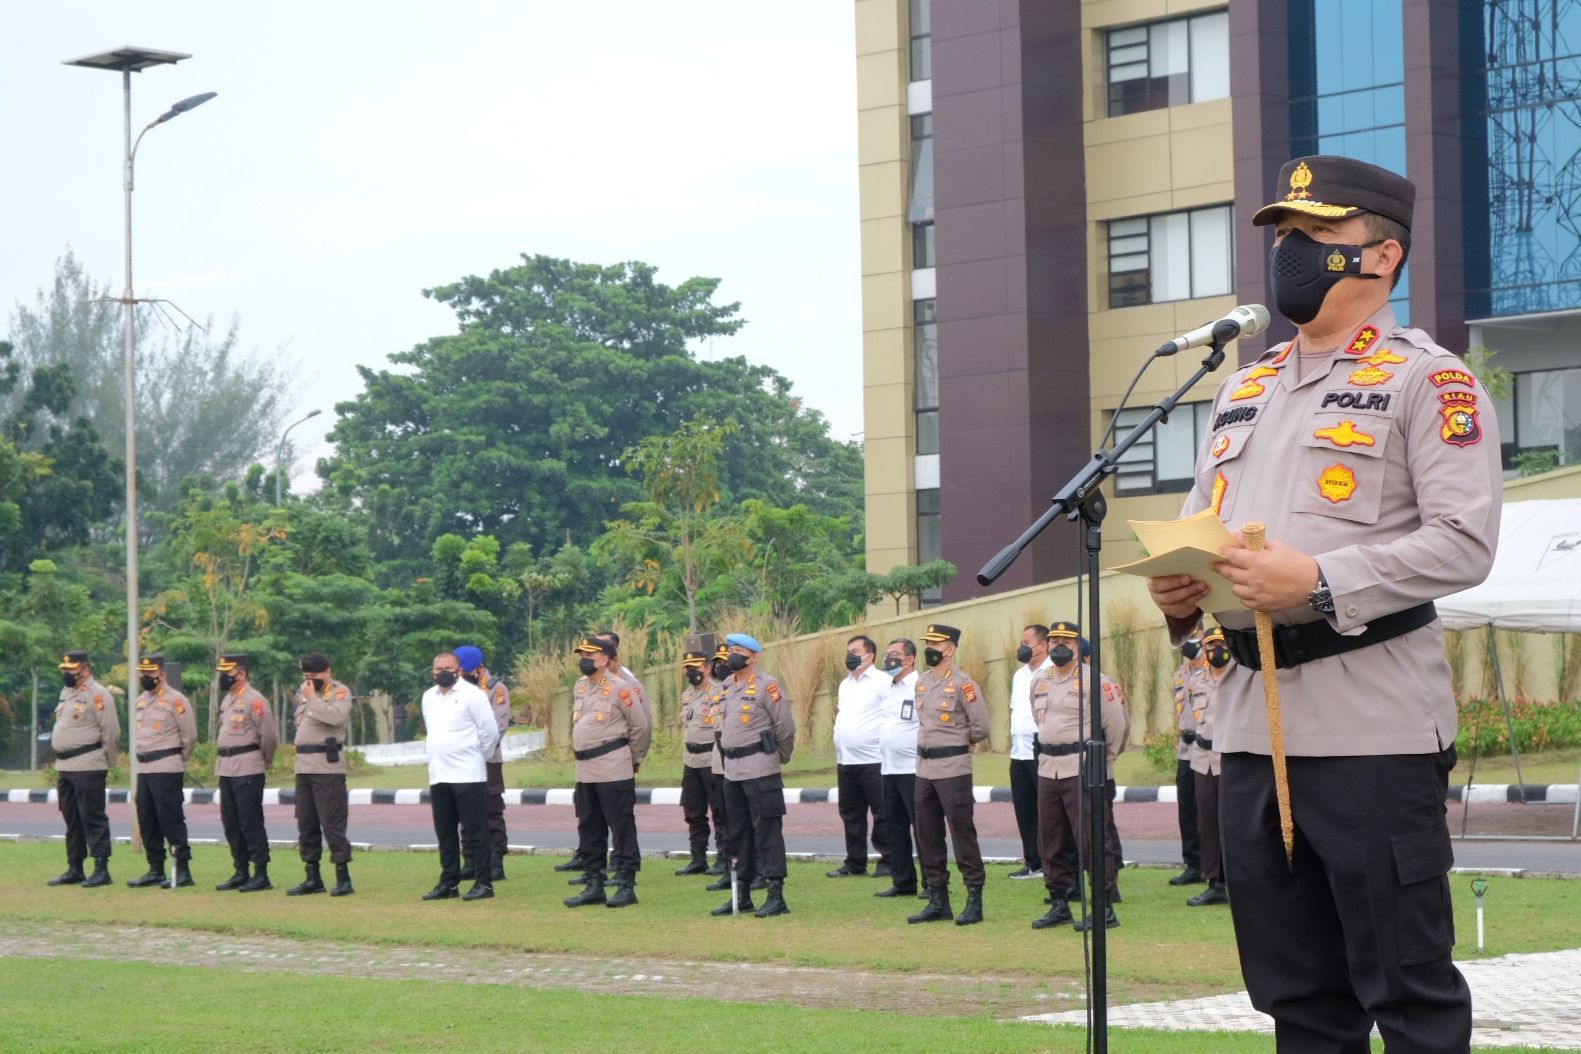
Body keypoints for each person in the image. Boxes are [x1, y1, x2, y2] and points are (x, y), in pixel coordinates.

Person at [1146, 155, 1500, 1052]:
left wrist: (1321, 581)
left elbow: (1465, 541)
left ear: (1380, 257)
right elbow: (1203, 530)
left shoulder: (1429, 380)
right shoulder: (1242, 387)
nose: (1289, 252)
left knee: (1407, 994)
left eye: (1314, 235)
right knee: (1295, 1000)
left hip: (1370, 729)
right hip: (1249, 732)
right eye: (1283, 236)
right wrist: (1179, 593)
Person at [1028, 622, 1126, 931]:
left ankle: (1104, 906)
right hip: (1048, 767)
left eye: (1064, 640)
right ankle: (1059, 902)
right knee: (1050, 838)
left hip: (1081, 767)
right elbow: (1038, 717)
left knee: (1092, 838)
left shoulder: (1095, 681)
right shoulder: (1039, 680)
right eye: (1053, 639)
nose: (1057, 644)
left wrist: (1103, 763)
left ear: (1076, 645)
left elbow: (1117, 727)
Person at [908, 624, 990, 926]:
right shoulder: (922, 681)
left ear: (950, 649)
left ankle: (974, 898)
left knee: (961, 832)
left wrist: (963, 740)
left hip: (953, 767)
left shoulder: (963, 684)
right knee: (927, 833)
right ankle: (937, 898)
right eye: (927, 642)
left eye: (935, 643)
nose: (929, 648)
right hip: (924, 768)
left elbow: (981, 726)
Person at [564, 637, 651, 908]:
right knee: (589, 827)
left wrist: (634, 758)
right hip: (585, 769)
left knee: (621, 826)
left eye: (590, 654)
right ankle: (594, 883)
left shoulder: (620, 688)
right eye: (582, 654)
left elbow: (640, 727)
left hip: (613, 766)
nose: (584, 659)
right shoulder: (580, 687)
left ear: (604, 659)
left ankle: (626, 884)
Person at [713, 633, 795, 918]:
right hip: (732, 771)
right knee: (737, 834)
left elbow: (785, 728)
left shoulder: (767, 686)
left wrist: (777, 756)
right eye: (730, 650)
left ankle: (775, 895)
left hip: (760, 768)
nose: (732, 654)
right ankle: (743, 894)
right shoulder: (725, 686)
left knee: (767, 832)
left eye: (739, 650)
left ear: (754, 656)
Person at [419, 651, 500, 902]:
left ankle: (483, 883)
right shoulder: (428, 697)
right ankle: (449, 881)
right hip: (439, 774)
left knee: (476, 831)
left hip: (468, 773)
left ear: (459, 669)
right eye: (437, 668)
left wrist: (477, 756)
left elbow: (489, 732)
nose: (442, 671)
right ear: (432, 671)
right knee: (445, 831)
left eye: (448, 667)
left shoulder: (472, 695)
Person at [47, 651, 118, 888]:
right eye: (64, 669)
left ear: (85, 670)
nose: (66, 673)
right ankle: (75, 867)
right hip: (65, 766)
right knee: (72, 818)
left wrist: (106, 762)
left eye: (71, 669)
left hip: (88, 763)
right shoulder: (67, 694)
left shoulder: (99, 695)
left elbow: (111, 732)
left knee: (92, 817)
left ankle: (101, 868)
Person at [125, 654, 197, 889]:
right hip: (145, 768)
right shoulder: (141, 701)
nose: (145, 677)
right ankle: (155, 868)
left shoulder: (176, 700)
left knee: (170, 818)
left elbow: (189, 736)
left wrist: (177, 758)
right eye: (142, 673)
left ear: (162, 674)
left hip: (166, 765)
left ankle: (182, 870)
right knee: (147, 819)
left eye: (150, 673)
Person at [288, 653, 355, 897]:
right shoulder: (304, 693)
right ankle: (312, 876)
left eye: (313, 676)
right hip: (304, 766)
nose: (309, 680)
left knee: (332, 823)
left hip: (327, 767)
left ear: (327, 672)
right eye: (305, 676)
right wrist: (309, 697)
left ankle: (343, 876)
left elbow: (336, 717)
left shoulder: (340, 692)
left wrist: (312, 698)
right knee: (306, 824)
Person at [213, 653, 278, 892]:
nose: (222, 678)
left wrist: (265, 762)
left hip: (248, 765)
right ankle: (240, 870)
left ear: (241, 674)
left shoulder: (255, 700)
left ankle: (261, 872)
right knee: (231, 822)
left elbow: (268, 736)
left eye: (226, 673)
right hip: (227, 767)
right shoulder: (228, 699)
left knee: (250, 822)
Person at [828, 634, 891, 879]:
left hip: (874, 759)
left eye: (855, 650)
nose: (850, 655)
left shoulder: (882, 681)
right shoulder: (845, 684)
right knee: (850, 813)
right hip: (847, 759)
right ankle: (855, 862)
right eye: (848, 650)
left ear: (870, 655)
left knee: (882, 812)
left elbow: (889, 717)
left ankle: (888, 860)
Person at [457, 645, 511, 882]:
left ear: (477, 668)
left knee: (491, 810)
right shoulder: (454, 690)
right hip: (460, 761)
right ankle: (470, 860)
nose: (460, 675)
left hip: (487, 759)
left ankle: (495, 860)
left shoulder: (495, 689)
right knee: (464, 811)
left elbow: (498, 726)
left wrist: (472, 746)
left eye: (463, 670)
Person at [874, 638, 921, 900]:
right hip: (889, 768)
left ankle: (932, 882)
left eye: (895, 654)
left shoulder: (920, 685)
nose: (889, 659)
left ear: (910, 659)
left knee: (922, 827)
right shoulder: (889, 687)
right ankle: (903, 881)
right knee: (894, 827)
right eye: (887, 654)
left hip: (913, 768)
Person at [1187, 627, 1230, 907]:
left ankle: (1237, 881)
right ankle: (1213, 881)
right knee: (1207, 823)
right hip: (1202, 759)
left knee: (1233, 823)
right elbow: (1191, 717)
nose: (1215, 651)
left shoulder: (1242, 676)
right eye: (1211, 645)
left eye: (1221, 645)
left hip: (1230, 758)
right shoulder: (1196, 680)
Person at [676, 636, 725, 876]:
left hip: (711, 759)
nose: (690, 673)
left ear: (707, 667)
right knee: (693, 811)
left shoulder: (719, 691)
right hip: (691, 760)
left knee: (720, 811)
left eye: (694, 668)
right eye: (687, 669)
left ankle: (724, 858)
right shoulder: (687, 695)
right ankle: (698, 857)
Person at [1007, 624, 1051, 880]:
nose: (1022, 647)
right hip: (1019, 750)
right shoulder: (1019, 675)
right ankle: (1032, 861)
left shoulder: (1052, 672)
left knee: (1047, 810)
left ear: (1043, 645)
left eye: (1027, 642)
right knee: (1024, 808)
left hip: (1041, 747)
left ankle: (1050, 862)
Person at [1169, 624, 1208, 887]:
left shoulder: (1215, 670)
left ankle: (1214, 866)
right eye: (1185, 637)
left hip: (1209, 748)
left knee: (1209, 809)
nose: (1188, 642)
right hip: (1186, 748)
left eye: (1193, 636)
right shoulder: (1180, 674)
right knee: (1187, 809)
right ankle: (1192, 864)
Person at [702, 641, 737, 887]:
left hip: (739, 760)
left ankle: (753, 868)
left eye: (725, 662)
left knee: (743, 819)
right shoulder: (714, 693)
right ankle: (727, 867)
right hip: (719, 761)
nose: (720, 667)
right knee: (722, 817)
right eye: (717, 663)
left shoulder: (748, 689)